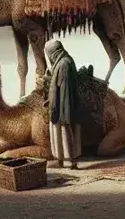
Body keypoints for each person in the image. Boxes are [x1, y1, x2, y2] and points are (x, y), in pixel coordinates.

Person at [44, 39, 82, 169]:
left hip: (64, 107)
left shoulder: (64, 64)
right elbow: (58, 87)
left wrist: (64, 112)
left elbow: (65, 90)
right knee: (58, 134)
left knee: (66, 133)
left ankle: (72, 162)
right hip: (59, 105)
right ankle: (60, 161)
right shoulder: (62, 61)